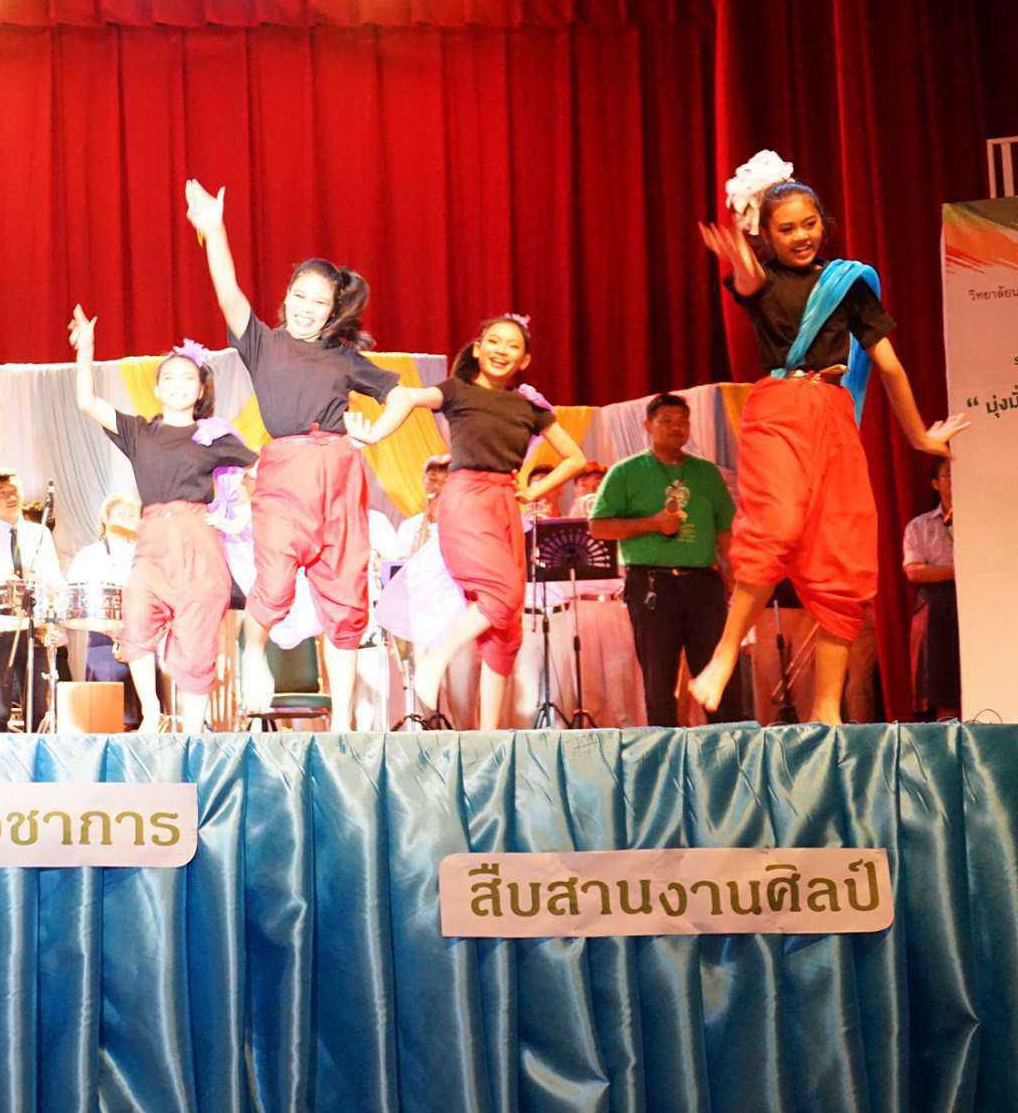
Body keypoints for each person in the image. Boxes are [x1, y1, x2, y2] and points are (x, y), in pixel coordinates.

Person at [689, 151, 965, 723]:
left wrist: (919, 436)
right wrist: (740, 252)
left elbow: (889, 366)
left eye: (809, 224)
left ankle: (826, 709)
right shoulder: (762, 279)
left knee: (844, 553)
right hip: (779, 411)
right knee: (776, 525)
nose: (801, 236)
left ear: (824, 223)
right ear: (767, 235)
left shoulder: (847, 285)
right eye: (786, 229)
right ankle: (724, 653)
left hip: (835, 418)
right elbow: (748, 278)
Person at [183, 177, 399, 728]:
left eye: (319, 302)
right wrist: (214, 230)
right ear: (285, 298)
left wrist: (377, 431)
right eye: (299, 296)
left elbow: (399, 393)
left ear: (333, 312)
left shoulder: (343, 357)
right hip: (285, 473)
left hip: (340, 473)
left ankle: (344, 723)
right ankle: (254, 651)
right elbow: (229, 294)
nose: (306, 309)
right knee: (275, 581)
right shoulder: (263, 343)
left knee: (345, 595)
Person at [349, 315, 586, 729]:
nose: (501, 350)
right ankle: (436, 657)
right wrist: (376, 433)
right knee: (502, 594)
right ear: (477, 348)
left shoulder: (529, 407)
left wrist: (533, 492)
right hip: (466, 500)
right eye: (493, 341)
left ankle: (488, 735)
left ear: (525, 359)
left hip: (505, 505)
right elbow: (407, 397)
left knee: (506, 627)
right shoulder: (455, 391)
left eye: (512, 345)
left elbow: (575, 458)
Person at [69, 310, 259, 731]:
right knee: (136, 622)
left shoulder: (214, 436)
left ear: (201, 389)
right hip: (153, 541)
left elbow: (258, 470)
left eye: (187, 378)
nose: (177, 384)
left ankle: (192, 732)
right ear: (156, 388)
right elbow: (87, 403)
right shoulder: (141, 433)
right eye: (168, 378)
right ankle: (152, 714)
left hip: (199, 542)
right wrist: (86, 351)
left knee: (197, 637)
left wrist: (239, 515)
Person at [589, 393, 744, 725]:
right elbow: (598, 527)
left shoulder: (706, 473)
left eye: (683, 421)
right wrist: (652, 524)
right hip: (652, 584)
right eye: (666, 421)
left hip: (704, 583)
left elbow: (725, 532)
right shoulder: (626, 472)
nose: (676, 428)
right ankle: (665, 749)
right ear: (648, 426)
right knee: (659, 679)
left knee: (720, 673)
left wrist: (736, 578)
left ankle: (731, 744)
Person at [0, 472, 66, 731]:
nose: (10, 497)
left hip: (34, 626)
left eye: (14, 491)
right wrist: (4, 576)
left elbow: (54, 577)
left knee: (38, 708)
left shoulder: (40, 533)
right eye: (2, 493)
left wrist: (52, 610)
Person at [66, 492, 140, 727]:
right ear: (105, 518)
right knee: (104, 716)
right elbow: (76, 602)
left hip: (141, 640)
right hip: (103, 641)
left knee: (140, 716)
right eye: (121, 513)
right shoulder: (88, 555)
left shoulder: (145, 554)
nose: (127, 518)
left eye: (132, 514)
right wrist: (111, 631)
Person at [904, 458, 959, 720]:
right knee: (944, 687)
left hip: (981, 600)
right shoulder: (920, 525)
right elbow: (914, 571)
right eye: (948, 474)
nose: (955, 479)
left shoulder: (985, 518)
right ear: (936, 483)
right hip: (940, 605)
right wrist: (961, 572)